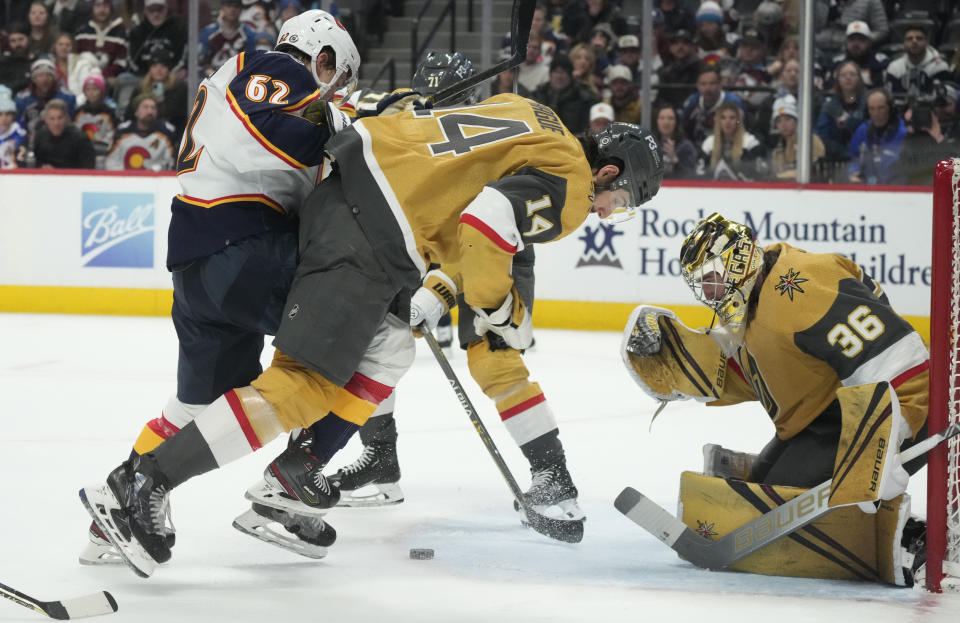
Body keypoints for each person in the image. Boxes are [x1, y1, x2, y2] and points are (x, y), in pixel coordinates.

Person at [81, 97, 664, 577]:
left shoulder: (532, 113)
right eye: (619, 201)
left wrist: (441, 285)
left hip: (352, 198)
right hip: (369, 234)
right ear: (608, 172)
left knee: (391, 346)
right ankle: (144, 480)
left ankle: (294, 475)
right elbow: (487, 222)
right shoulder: (573, 182)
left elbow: (445, 172)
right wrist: (496, 307)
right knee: (304, 386)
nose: (608, 211)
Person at [77, 9, 361, 566]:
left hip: (204, 267)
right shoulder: (276, 65)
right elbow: (273, 129)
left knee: (197, 404)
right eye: (339, 79)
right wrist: (352, 130)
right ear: (323, 58)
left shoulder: (251, 75)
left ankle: (113, 509)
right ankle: (285, 493)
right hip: (245, 252)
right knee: (366, 335)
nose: (336, 92)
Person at [621, 211, 929, 584]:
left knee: (778, 513)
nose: (710, 295)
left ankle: (910, 539)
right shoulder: (758, 297)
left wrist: (883, 443)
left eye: (713, 281)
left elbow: (898, 360)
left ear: (737, 263)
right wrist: (681, 362)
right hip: (828, 415)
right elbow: (763, 372)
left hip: (891, 410)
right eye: (702, 286)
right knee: (762, 492)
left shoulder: (800, 290)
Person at [697, 99, 768, 181]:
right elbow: (700, 175)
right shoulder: (709, 144)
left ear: (738, 121)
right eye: (723, 118)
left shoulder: (750, 143)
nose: (728, 122)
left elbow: (760, 174)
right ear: (718, 121)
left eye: (732, 118)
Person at [848, 88, 906, 184]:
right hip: (867, 188)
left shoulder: (904, 133)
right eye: (872, 108)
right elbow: (854, 159)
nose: (876, 113)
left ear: (890, 109)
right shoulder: (862, 131)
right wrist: (853, 171)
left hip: (896, 188)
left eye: (881, 108)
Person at [105, 93, 176, 170]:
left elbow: (170, 162)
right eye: (145, 107)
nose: (150, 111)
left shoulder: (166, 132)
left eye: (153, 108)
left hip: (155, 180)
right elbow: (111, 161)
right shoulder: (122, 132)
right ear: (136, 112)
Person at [815, 59, 867, 163]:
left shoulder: (868, 103)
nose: (848, 77)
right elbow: (821, 138)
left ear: (859, 79)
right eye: (843, 75)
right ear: (837, 79)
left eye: (852, 74)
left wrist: (850, 122)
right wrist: (843, 152)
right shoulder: (829, 107)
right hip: (837, 160)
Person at [531, 53, 597, 134]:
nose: (559, 76)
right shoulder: (538, 95)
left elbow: (587, 130)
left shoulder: (584, 98)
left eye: (563, 72)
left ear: (570, 76)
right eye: (556, 72)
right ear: (550, 74)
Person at [681, 64, 743, 148]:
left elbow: (741, 128)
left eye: (712, 83)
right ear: (697, 85)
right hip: (696, 149)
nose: (707, 88)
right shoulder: (692, 101)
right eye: (703, 84)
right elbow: (684, 128)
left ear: (720, 84)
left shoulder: (733, 102)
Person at [769, 94, 825, 180]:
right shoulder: (777, 151)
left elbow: (816, 169)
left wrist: (782, 176)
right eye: (779, 121)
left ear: (796, 121)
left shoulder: (811, 141)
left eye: (787, 119)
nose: (783, 125)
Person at [73, 0, 129, 82]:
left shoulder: (120, 32)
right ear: (92, 8)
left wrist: (104, 74)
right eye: (98, 6)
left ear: (111, 8)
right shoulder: (82, 32)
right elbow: (76, 58)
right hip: (84, 77)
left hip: (109, 78)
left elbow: (122, 61)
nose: (102, 10)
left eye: (106, 6)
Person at [198, 0, 258, 77]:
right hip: (211, 79)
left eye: (236, 6)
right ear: (222, 8)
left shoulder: (249, 34)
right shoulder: (209, 32)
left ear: (241, 9)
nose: (232, 9)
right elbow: (201, 63)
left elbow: (251, 62)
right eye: (229, 6)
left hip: (238, 79)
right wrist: (213, 75)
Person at [32, 97, 94, 167]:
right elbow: (36, 162)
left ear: (67, 118)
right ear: (46, 120)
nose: (56, 123)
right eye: (52, 119)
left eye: (60, 118)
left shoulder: (81, 139)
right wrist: (42, 167)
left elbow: (88, 168)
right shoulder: (40, 136)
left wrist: (59, 172)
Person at [73, 72, 116, 163]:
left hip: (103, 154)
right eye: (88, 89)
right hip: (81, 154)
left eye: (95, 89)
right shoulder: (78, 112)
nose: (91, 93)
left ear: (102, 91)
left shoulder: (110, 113)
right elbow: (74, 134)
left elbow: (112, 135)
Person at [651, 102, 695, 179]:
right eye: (662, 118)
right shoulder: (649, 144)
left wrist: (674, 158)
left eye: (670, 118)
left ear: (676, 122)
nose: (666, 122)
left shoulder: (686, 146)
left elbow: (691, 176)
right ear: (656, 121)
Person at [0, 87, 28, 168]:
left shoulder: (19, 134)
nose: (4, 118)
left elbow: (21, 164)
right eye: (0, 114)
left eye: (8, 114)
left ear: (13, 116)